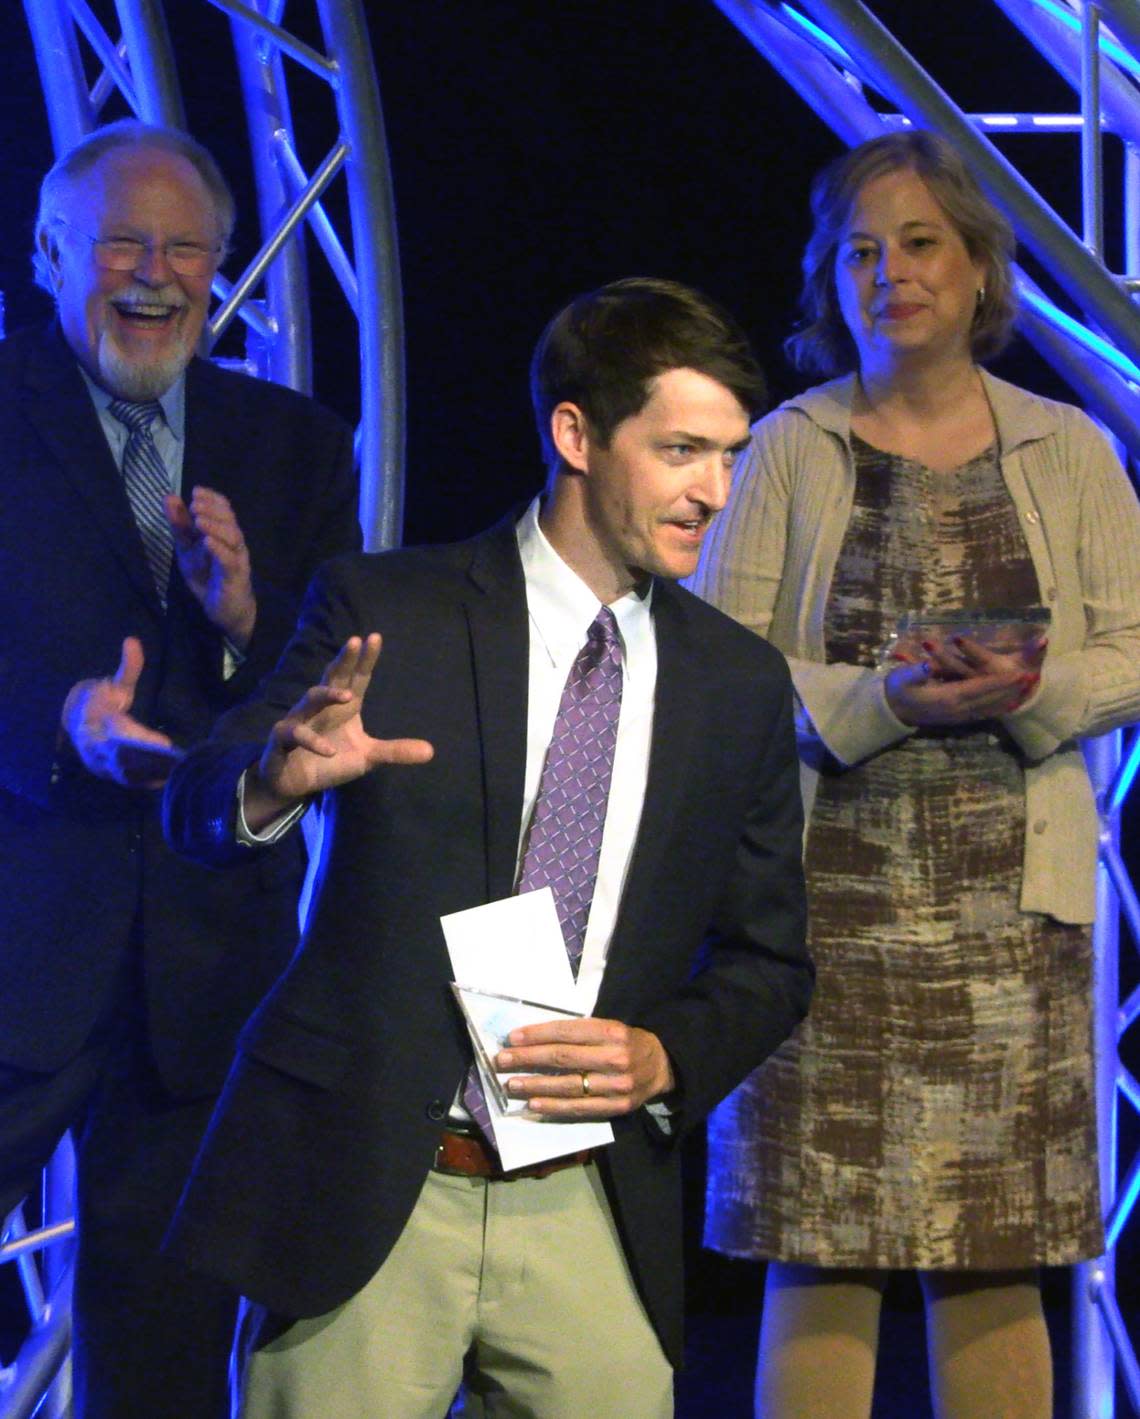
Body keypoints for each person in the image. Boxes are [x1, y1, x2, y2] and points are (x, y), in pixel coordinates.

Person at [160, 275, 813, 1418]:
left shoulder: (738, 683)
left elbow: (772, 963)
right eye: (680, 451)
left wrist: (666, 1058)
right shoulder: (388, 609)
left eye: (729, 456)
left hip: (590, 1201)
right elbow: (196, 808)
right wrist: (272, 777)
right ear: (575, 433)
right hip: (372, 1188)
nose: (714, 491)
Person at [689, 129, 1140, 1418]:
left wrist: (1034, 689)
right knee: (818, 1247)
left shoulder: (1068, 449)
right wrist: (877, 702)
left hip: (1014, 924)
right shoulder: (786, 447)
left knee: (996, 1253)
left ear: (982, 267)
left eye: (921, 242)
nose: (891, 272)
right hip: (821, 916)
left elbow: (1138, 642)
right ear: (831, 281)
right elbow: (719, 670)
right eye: (860, 251)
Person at [0, 119, 361, 1418]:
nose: (154, 273)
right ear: (51, 253)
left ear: (218, 269)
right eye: (122, 243)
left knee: (160, 1355)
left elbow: (330, 681)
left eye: (184, 248)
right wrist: (57, 724)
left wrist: (253, 617)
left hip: (205, 976)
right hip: (17, 935)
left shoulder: (297, 447)